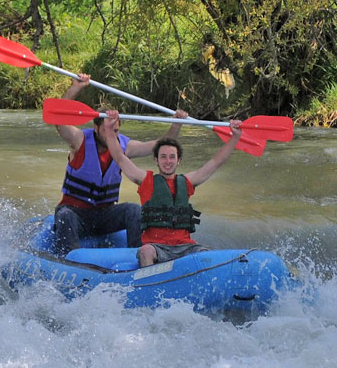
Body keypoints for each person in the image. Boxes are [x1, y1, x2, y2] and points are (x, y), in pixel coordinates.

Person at [51, 74, 184, 254]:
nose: (112, 135)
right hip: (75, 214)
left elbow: (156, 146)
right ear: (96, 128)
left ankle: (139, 257)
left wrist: (176, 125)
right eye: (107, 130)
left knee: (134, 210)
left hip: (105, 216)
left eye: (115, 130)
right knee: (64, 215)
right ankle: (68, 260)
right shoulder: (79, 140)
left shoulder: (123, 146)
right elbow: (58, 118)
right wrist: (77, 87)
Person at [101, 114, 243, 266]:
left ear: (178, 160)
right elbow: (120, 158)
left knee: (208, 255)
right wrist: (109, 130)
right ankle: (148, 284)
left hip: (185, 247)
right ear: (156, 160)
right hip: (157, 247)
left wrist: (235, 137)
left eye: (171, 157)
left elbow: (215, 162)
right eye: (163, 157)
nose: (167, 162)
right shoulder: (146, 181)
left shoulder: (188, 182)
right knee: (145, 251)